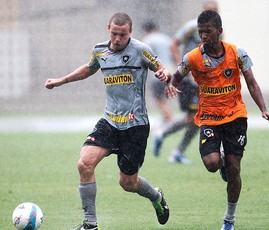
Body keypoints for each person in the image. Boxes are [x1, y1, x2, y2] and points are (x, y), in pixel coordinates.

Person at [44, 12, 170, 230]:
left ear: (130, 32)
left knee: (128, 183)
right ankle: (90, 224)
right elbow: (89, 68)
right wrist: (61, 81)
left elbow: (161, 67)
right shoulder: (100, 50)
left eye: (122, 35)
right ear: (108, 28)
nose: (117, 39)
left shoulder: (141, 50)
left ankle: (156, 196)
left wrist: (164, 74)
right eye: (114, 33)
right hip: (110, 121)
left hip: (135, 125)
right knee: (84, 163)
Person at [161, 10, 269, 230]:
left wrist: (263, 109)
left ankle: (229, 220)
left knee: (234, 168)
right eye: (200, 31)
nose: (203, 35)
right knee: (212, 164)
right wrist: (171, 85)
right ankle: (221, 158)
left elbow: (251, 82)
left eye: (208, 31)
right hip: (209, 117)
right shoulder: (193, 57)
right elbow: (177, 75)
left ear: (219, 32)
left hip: (235, 116)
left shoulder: (237, 53)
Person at [153, 0, 219, 164]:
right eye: (209, 10)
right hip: (189, 80)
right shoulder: (192, 27)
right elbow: (173, 44)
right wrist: (182, 68)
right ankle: (163, 133)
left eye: (215, 10)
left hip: (204, 81)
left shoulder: (217, 31)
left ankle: (176, 150)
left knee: (198, 118)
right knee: (194, 117)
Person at [141, 20, 175, 124]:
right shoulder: (166, 38)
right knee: (165, 97)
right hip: (170, 71)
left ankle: (169, 120)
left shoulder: (148, 40)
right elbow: (173, 53)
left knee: (159, 98)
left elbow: (144, 56)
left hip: (158, 74)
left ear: (146, 30)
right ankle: (167, 118)